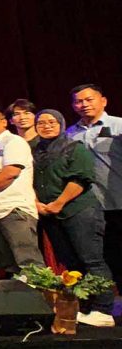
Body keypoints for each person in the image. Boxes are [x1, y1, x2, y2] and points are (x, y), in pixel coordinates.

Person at [30, 109, 115, 327]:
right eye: (41, 122)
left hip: (79, 211)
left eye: (52, 122)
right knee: (71, 262)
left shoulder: (74, 147)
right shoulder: (34, 151)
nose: (46, 125)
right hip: (49, 214)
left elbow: (81, 178)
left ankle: (104, 310)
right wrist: (39, 204)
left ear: (61, 123)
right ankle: (85, 306)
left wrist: (58, 204)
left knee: (91, 259)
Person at [0, 107, 46, 275]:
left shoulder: (13, 142)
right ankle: (19, 300)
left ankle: (40, 300)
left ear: (3, 122)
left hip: (15, 209)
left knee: (28, 262)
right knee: (8, 265)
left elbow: (11, 172)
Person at [65, 83, 122, 289]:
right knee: (105, 256)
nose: (84, 105)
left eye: (89, 99)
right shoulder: (69, 134)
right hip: (90, 208)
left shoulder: (118, 126)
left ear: (103, 101)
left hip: (118, 201)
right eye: (79, 101)